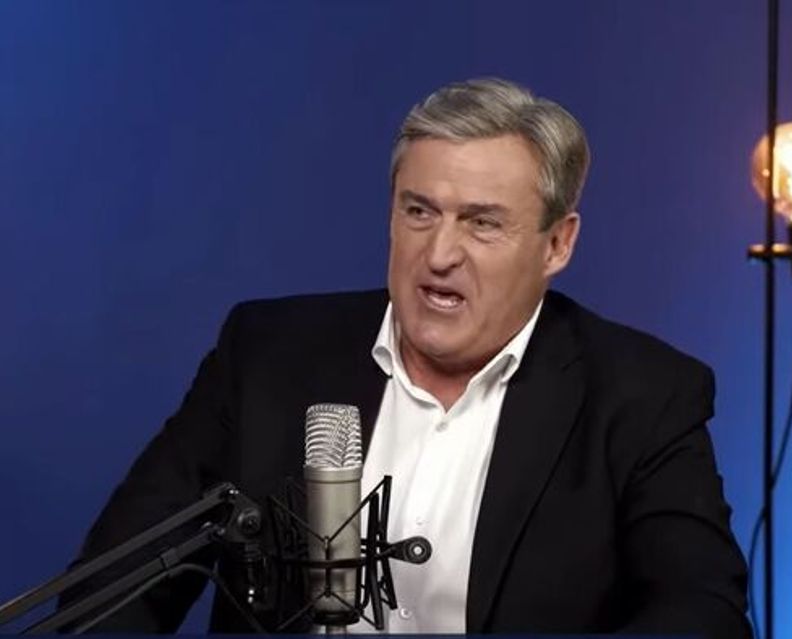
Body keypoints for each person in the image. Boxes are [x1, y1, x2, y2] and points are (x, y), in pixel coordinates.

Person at [65, 78, 751, 637]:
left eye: (482, 222)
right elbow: (112, 591)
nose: (439, 254)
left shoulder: (641, 395)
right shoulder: (266, 354)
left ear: (557, 244)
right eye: (419, 212)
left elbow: (703, 614)